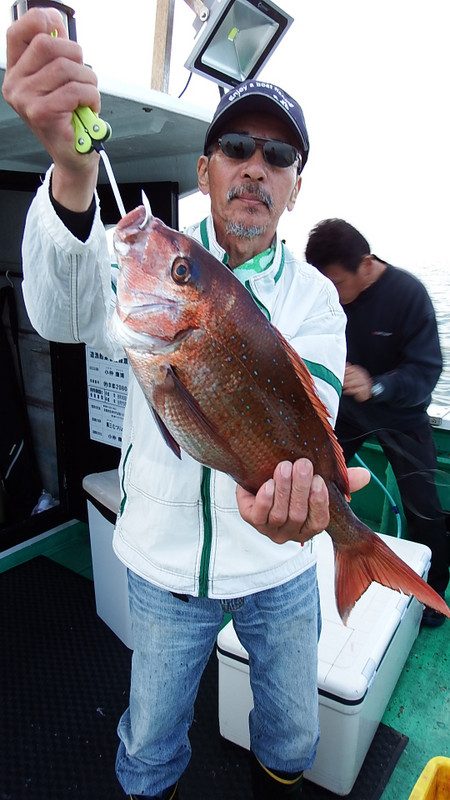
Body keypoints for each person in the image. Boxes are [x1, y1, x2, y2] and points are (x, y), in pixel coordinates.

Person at [3, 10, 368, 799]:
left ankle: (281, 771)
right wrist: (70, 173)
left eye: (278, 156)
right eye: (236, 148)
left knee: (293, 729)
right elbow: (60, 313)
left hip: (279, 567)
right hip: (162, 569)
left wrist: (317, 511)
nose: (255, 168)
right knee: (151, 733)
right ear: (205, 171)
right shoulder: (155, 265)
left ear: (296, 187)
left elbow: (311, 423)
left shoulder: (315, 303)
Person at [305, 218, 449, 628]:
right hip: (347, 416)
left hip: (402, 418)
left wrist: (377, 386)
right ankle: (310, 567)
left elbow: (427, 372)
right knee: (314, 481)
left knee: (424, 508)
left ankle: (432, 597)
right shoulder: (325, 299)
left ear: (365, 265)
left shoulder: (409, 295)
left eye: (336, 284)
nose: (331, 296)